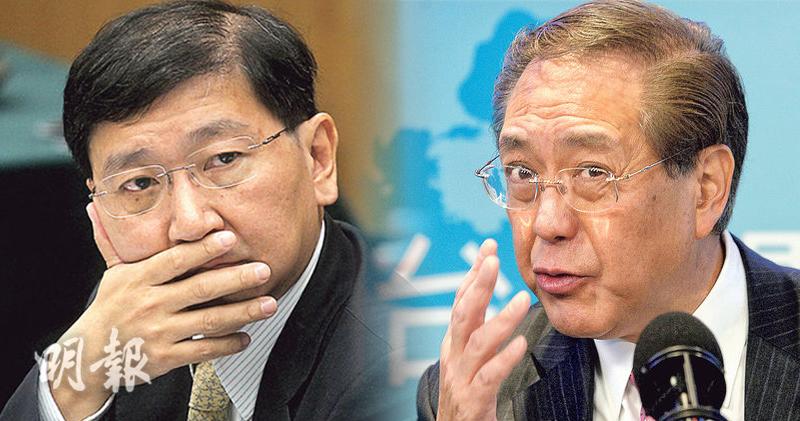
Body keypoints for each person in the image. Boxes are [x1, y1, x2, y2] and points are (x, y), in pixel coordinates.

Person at [1, 1, 390, 420]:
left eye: (223, 159)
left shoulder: (396, 380)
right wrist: (78, 372)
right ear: (98, 209)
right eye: (140, 184)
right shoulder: (133, 312)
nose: (188, 224)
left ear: (317, 157)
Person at [417, 1, 800, 420]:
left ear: (706, 188)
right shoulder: (473, 397)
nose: (547, 223)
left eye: (593, 173)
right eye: (523, 172)